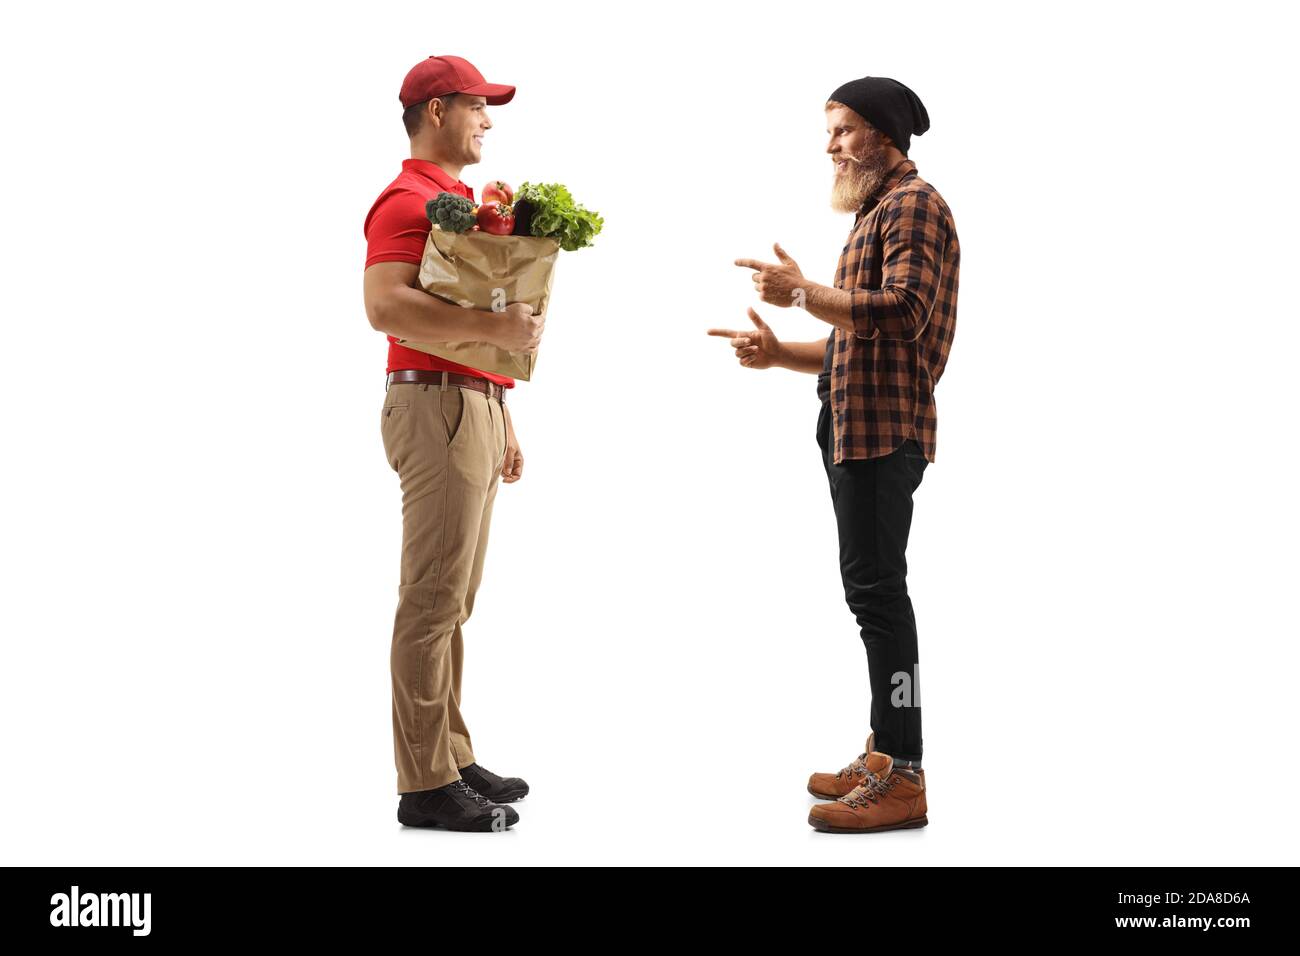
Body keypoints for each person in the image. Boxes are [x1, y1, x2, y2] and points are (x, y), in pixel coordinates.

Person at [711, 76, 959, 834]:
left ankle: (906, 773)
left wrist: (804, 291)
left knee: (880, 594)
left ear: (883, 136)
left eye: (843, 129)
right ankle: (885, 751)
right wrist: (779, 349)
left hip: (885, 432)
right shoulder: (877, 212)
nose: (830, 145)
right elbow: (857, 339)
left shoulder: (914, 204)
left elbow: (905, 313)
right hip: (856, 425)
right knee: (869, 592)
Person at [362, 55, 543, 832]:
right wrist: (494, 331)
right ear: (437, 111)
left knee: (454, 599)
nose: (488, 121)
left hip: (465, 405)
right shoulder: (407, 200)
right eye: (476, 106)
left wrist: (499, 410)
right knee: (431, 599)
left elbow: (467, 316)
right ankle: (424, 783)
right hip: (432, 410)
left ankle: (452, 752)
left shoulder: (455, 200)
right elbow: (384, 307)